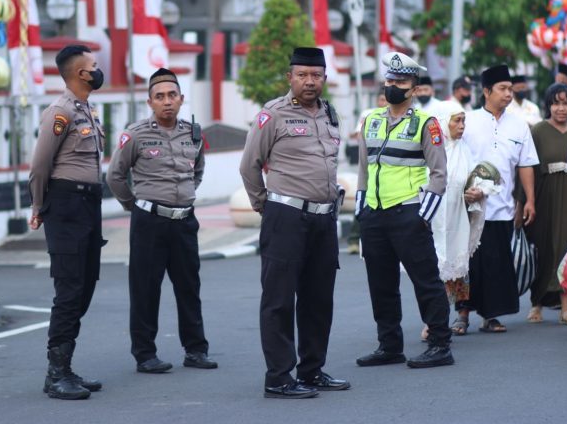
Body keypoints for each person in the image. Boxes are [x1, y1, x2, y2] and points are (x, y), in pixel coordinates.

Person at [239, 47, 349, 399]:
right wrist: (265, 207)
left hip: (323, 218)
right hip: (285, 217)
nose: (309, 81)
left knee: (319, 300)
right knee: (279, 300)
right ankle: (279, 377)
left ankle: (312, 370)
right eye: (302, 74)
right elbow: (249, 166)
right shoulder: (273, 115)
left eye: (316, 75)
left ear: (324, 79)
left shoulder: (330, 115)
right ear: (290, 78)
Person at [107, 68, 216, 374]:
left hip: (184, 221)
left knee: (189, 287)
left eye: (172, 95)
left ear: (181, 99)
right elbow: (115, 176)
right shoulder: (136, 134)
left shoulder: (193, 133)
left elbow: (197, 170)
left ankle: (196, 350)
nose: (167, 101)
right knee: (145, 289)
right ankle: (145, 354)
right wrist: (134, 206)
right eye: (160, 97)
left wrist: (186, 194)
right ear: (150, 102)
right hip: (149, 222)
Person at [354, 51, 453, 369]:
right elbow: (363, 169)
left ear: (414, 88)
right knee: (380, 283)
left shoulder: (427, 123)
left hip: (408, 211)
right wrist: (361, 209)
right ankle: (389, 345)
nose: (393, 86)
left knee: (426, 281)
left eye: (401, 81)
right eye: (390, 80)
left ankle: (440, 344)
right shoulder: (370, 121)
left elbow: (439, 174)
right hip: (374, 213)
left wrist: (422, 215)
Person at [28, 44, 105, 400]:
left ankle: (66, 366)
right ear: (80, 73)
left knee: (85, 286)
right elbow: (41, 164)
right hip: (66, 204)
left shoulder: (86, 110)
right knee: (70, 290)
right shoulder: (60, 112)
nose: (98, 69)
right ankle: (56, 372)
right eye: (93, 65)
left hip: (88, 205)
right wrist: (39, 205)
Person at [459, 64, 539, 333]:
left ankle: (490, 316)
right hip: (470, 207)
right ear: (486, 91)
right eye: (503, 89)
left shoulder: (519, 125)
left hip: (503, 207)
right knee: (466, 264)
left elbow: (526, 164)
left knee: (495, 264)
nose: (508, 94)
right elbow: (455, 160)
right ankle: (462, 315)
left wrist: (529, 200)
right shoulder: (467, 121)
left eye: (510, 89)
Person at [425, 100, 485, 338]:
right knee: (433, 272)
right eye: (456, 121)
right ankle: (433, 321)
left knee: (459, 270)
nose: (461, 126)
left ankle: (462, 316)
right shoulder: (429, 150)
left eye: (463, 121)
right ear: (442, 122)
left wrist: (476, 193)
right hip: (435, 220)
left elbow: (475, 180)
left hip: (459, 220)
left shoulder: (464, 150)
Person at [525, 84, 567, 326]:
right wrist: (527, 202)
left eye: (566, 102)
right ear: (548, 105)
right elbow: (527, 167)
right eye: (556, 103)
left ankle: (566, 308)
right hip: (544, 194)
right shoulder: (538, 131)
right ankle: (536, 304)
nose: (561, 108)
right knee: (543, 248)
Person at [347, 92, 388, 254]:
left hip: (389, 168)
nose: (384, 102)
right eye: (381, 99)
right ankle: (354, 238)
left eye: (386, 99)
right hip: (370, 166)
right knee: (364, 201)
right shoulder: (369, 115)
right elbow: (359, 135)